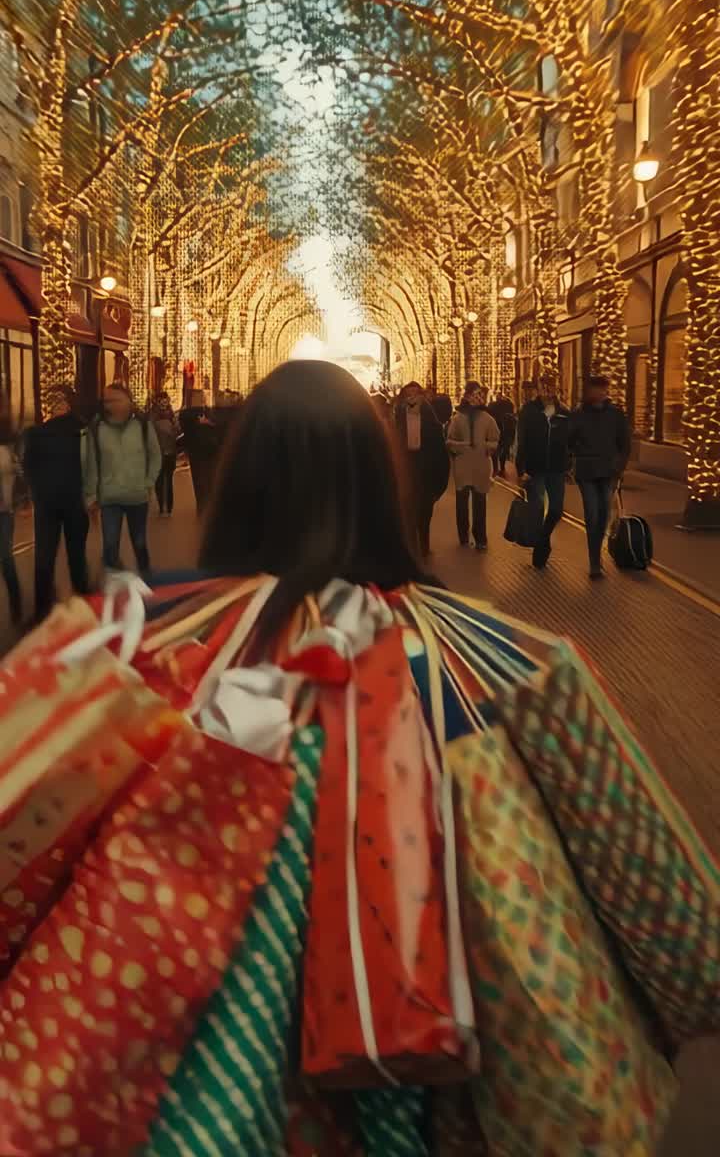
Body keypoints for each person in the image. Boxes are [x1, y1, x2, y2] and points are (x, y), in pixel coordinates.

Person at [0, 358, 715, 1155]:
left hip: (218, 1074)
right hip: (457, 1072)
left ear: (239, 483)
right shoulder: (492, 663)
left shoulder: (156, 652)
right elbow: (655, 891)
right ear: (384, 485)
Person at [22, 385, 89, 619]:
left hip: (52, 504)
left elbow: (28, 468)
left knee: (49, 556)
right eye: (54, 401)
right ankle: (82, 604)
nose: (56, 405)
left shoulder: (38, 434)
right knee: (71, 556)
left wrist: (35, 494)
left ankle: (44, 610)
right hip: (66, 502)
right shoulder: (81, 430)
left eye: (60, 401)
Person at [83, 383, 161, 575]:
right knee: (109, 545)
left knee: (140, 543)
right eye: (107, 400)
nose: (110, 405)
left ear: (128, 400)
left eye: (115, 399)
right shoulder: (96, 426)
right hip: (109, 497)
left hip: (137, 495)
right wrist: (91, 495)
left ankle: (146, 578)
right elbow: (91, 462)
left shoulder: (142, 424)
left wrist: (148, 482)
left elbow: (155, 455)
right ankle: (114, 583)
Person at [570, 374, 631, 579]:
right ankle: (595, 561)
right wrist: (576, 457)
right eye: (597, 389)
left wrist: (619, 468)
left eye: (604, 389)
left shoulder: (615, 415)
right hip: (586, 472)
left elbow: (625, 443)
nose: (601, 393)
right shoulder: (579, 414)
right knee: (592, 514)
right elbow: (569, 440)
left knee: (604, 514)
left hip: (608, 472)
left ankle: (597, 554)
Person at [515, 375, 571, 570]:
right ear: (538, 389)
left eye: (551, 386)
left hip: (556, 469)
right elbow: (522, 441)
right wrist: (521, 469)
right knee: (537, 509)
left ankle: (542, 538)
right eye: (544, 387)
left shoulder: (564, 412)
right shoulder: (529, 411)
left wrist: (569, 464)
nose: (548, 390)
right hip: (535, 469)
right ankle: (541, 549)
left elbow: (569, 442)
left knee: (556, 510)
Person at [395, 380, 449, 557]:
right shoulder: (400, 413)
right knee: (410, 509)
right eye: (409, 394)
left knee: (424, 510)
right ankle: (413, 545)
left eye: (415, 394)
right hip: (409, 471)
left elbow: (437, 443)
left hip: (425, 471)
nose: (412, 398)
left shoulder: (427, 414)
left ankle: (423, 544)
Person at [447, 382, 499, 551]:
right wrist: (462, 445)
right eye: (475, 395)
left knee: (480, 503)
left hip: (480, 466)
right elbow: (449, 441)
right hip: (462, 465)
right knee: (462, 503)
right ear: (468, 396)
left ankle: (480, 538)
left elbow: (495, 439)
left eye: (480, 395)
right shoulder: (457, 418)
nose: (478, 398)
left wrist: (488, 446)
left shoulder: (488, 419)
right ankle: (463, 535)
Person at [0, 413, 22, 624]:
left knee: (6, 557)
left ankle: (16, 604)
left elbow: (20, 471)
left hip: (4, 511)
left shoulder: (8, 443)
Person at [149, 392, 180, 517]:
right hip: (164, 452)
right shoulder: (166, 415)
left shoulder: (158, 415)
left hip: (164, 452)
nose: (163, 403)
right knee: (164, 480)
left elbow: (177, 432)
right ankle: (165, 507)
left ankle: (165, 507)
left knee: (164, 480)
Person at [487, 388, 516, 477]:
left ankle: (497, 468)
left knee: (497, 448)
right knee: (503, 448)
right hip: (506, 429)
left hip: (498, 428)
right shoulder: (509, 404)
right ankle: (501, 466)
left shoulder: (492, 405)